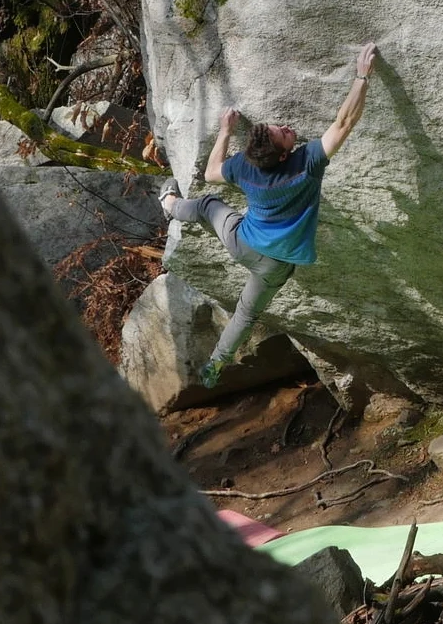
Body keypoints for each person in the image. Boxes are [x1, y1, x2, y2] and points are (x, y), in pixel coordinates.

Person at [160, 42, 378, 387]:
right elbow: (344, 122)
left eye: (280, 126)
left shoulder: (245, 166)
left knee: (205, 205)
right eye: (284, 133)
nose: (287, 127)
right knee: (247, 313)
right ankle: (217, 362)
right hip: (274, 263)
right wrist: (362, 77)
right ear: (280, 155)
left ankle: (170, 205)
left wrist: (226, 131)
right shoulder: (306, 163)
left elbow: (211, 172)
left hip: (241, 240)